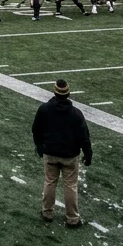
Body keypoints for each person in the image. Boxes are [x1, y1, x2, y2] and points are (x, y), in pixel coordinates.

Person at [32, 79, 92, 227]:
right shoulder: (76, 114)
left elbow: (36, 130)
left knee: (50, 182)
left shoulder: (44, 109)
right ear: (68, 94)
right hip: (70, 155)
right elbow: (84, 137)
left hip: (50, 152)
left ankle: (47, 212)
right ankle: (72, 218)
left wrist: (40, 146)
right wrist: (88, 154)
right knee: (70, 185)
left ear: (54, 92)